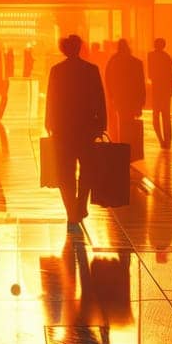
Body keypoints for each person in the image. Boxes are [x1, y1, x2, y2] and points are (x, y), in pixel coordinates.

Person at [45, 35, 107, 233]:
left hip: (63, 128)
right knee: (87, 168)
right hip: (86, 127)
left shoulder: (57, 70)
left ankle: (71, 211)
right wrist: (101, 124)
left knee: (65, 172)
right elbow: (99, 97)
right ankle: (81, 203)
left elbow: (51, 99)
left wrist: (49, 122)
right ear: (80, 48)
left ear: (64, 49)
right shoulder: (91, 70)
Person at [104, 39, 146, 147]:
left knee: (122, 121)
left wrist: (110, 96)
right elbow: (141, 83)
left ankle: (123, 145)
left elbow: (107, 79)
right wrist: (141, 102)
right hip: (133, 98)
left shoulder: (113, 61)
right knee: (130, 121)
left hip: (119, 97)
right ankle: (130, 145)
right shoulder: (137, 63)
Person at [147, 38, 172, 149]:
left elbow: (150, 74)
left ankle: (161, 140)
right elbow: (170, 75)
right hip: (166, 90)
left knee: (156, 115)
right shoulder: (167, 57)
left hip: (156, 89)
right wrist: (171, 89)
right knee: (166, 116)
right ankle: (167, 141)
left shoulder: (151, 56)